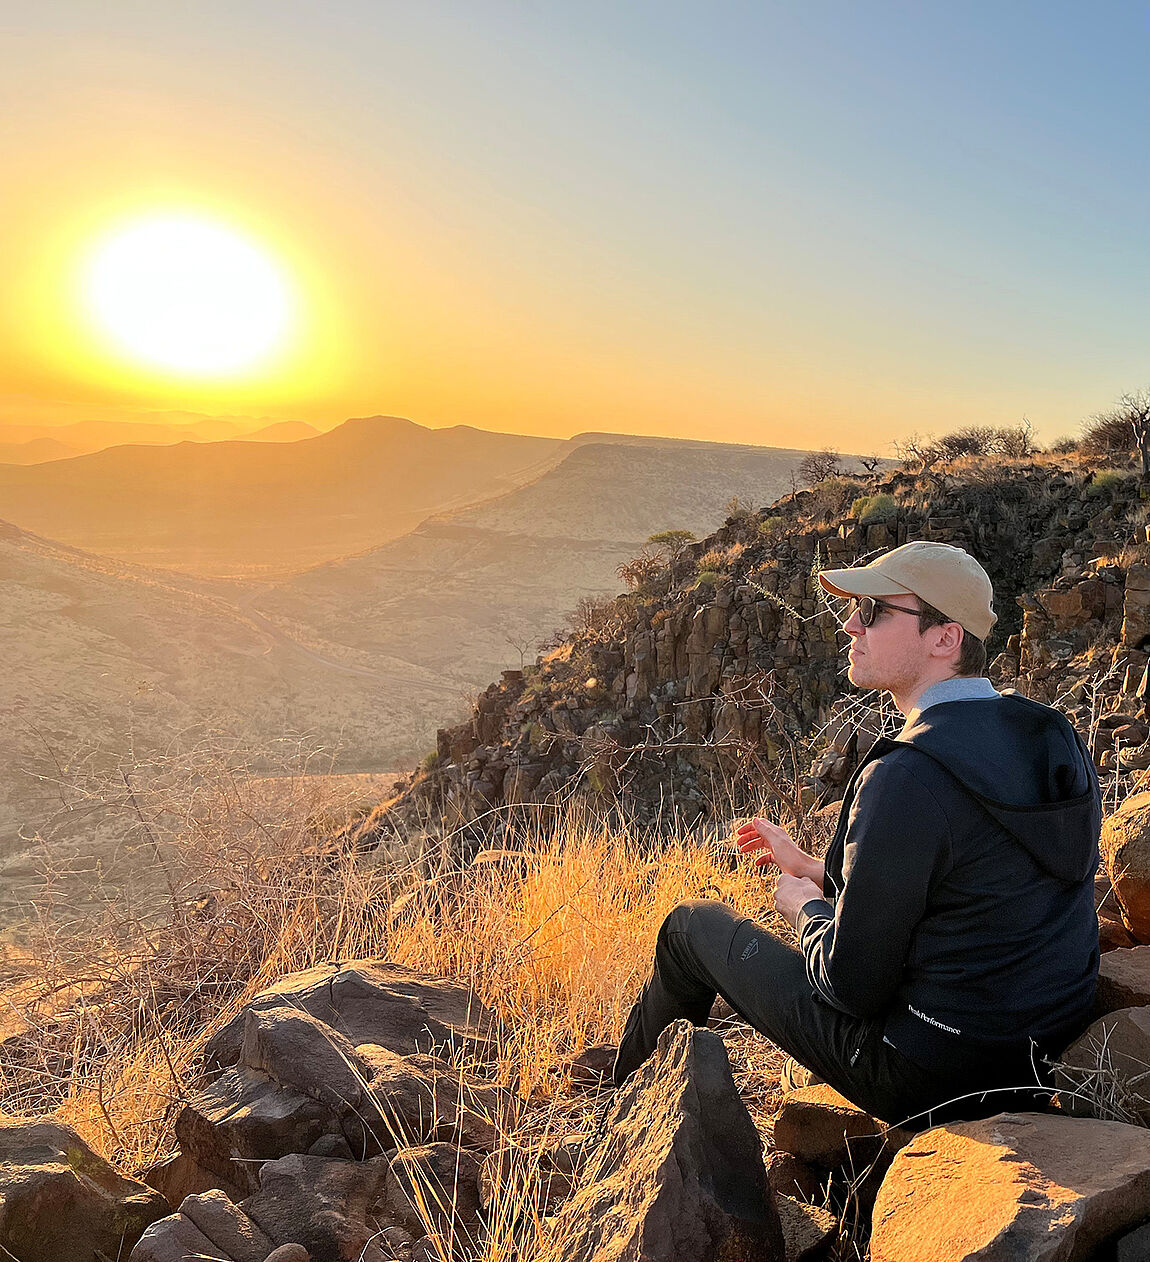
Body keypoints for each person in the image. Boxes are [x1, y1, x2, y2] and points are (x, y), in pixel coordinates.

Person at [611, 541, 1101, 1127]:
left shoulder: (908, 775)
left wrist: (807, 908)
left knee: (689, 929)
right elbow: (974, 883)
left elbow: (851, 989)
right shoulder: (1047, 733)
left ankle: (617, 1114)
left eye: (873, 612)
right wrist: (820, 869)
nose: (850, 625)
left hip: (928, 1075)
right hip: (1034, 1059)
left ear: (944, 638)